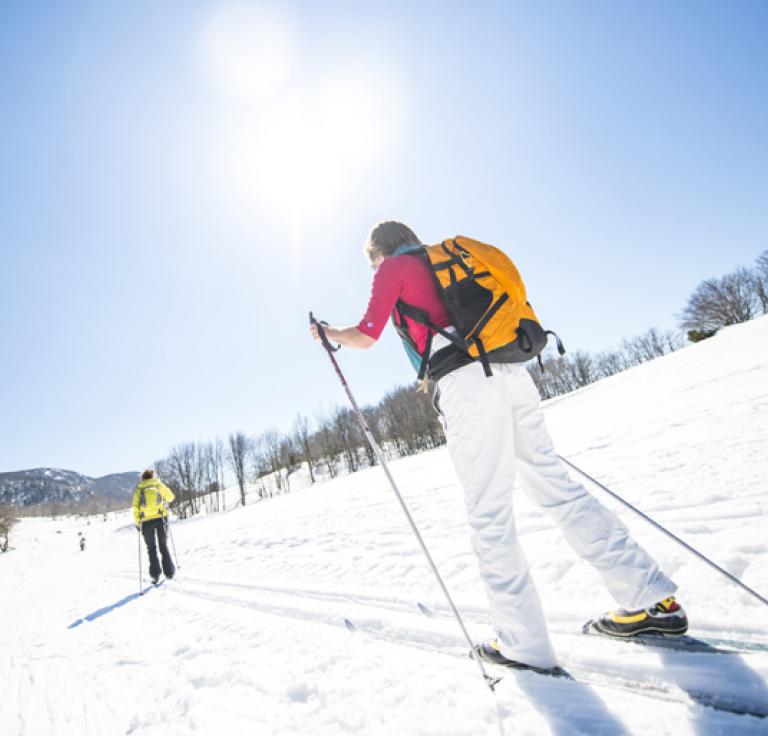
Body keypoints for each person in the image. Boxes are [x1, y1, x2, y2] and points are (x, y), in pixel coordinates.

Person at [310, 220, 688, 671]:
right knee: (558, 489)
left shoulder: (393, 267)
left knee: (489, 513)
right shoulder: (451, 257)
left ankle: (523, 645)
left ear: (379, 251)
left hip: (466, 384)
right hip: (511, 370)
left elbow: (368, 334)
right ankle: (651, 601)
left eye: (372, 258)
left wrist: (329, 333)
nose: (375, 265)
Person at [133, 469, 175, 584]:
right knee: (163, 546)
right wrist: (164, 500)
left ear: (143, 478)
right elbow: (171, 497)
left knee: (151, 548)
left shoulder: (139, 489)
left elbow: (135, 508)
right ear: (153, 476)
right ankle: (169, 572)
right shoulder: (158, 485)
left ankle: (155, 575)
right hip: (161, 518)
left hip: (146, 522)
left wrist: (137, 523)